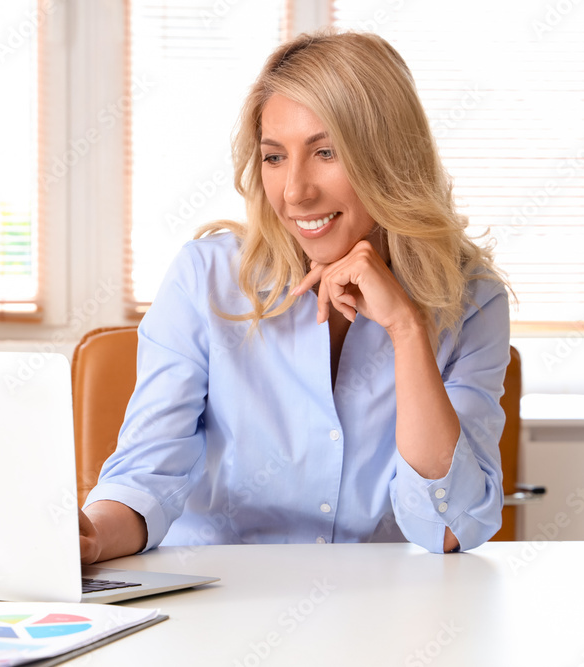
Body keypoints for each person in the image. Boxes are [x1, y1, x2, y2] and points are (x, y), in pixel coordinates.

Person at [79, 30, 511, 562]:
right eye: (275, 157)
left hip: (379, 616)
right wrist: (92, 536)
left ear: (391, 157)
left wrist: (405, 329)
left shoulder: (471, 302)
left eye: (326, 152)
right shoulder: (206, 278)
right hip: (220, 608)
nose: (295, 192)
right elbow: (144, 477)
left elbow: (448, 528)